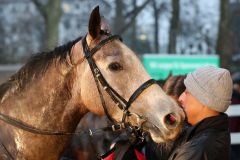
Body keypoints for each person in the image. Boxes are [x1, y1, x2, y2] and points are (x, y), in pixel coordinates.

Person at [167, 66, 233, 160]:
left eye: (187, 92)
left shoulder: (197, 150)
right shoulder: (206, 137)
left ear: (205, 100)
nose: (180, 98)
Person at [145, 75, 187, 160]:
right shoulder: (154, 132)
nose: (173, 116)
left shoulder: (197, 133)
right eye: (169, 106)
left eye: (180, 107)